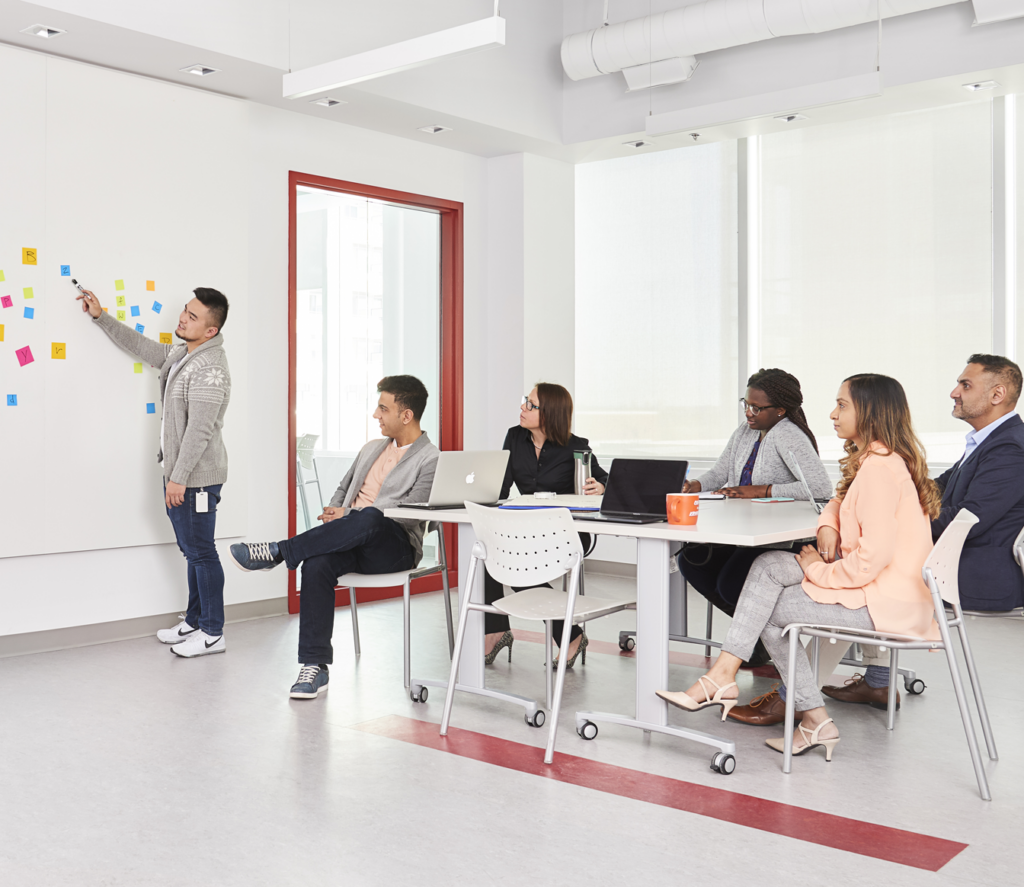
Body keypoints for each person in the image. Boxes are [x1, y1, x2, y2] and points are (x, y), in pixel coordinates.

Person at [657, 374, 942, 762]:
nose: (831, 413)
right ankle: (725, 679)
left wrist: (817, 570)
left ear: (871, 413)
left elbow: (867, 563)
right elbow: (837, 500)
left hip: (887, 603)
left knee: (769, 611)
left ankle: (804, 713)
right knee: (768, 566)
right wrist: (827, 523)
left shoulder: (879, 471)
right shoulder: (879, 460)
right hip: (884, 590)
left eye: (842, 405)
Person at [823, 354, 1024, 710]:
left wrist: (888, 521)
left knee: (865, 570)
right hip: (952, 561)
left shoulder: (1011, 447)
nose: (953, 392)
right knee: (871, 559)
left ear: (997, 395)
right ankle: (875, 682)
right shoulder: (986, 442)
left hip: (972, 573)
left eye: (965, 385)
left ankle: (795, 695)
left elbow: (969, 520)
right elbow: (927, 490)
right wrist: (880, 501)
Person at [229, 376, 438, 699]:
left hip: (395, 547)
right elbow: (344, 487)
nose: (375, 415)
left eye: (383, 408)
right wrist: (338, 510)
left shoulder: (430, 458)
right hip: (357, 540)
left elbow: (414, 513)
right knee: (316, 564)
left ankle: (279, 552)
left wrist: (351, 516)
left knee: (370, 515)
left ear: (406, 415)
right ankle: (315, 667)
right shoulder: (372, 448)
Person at [76, 286, 232, 657]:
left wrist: (178, 478)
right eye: (185, 310)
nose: (182, 318)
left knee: (202, 552)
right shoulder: (183, 354)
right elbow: (146, 348)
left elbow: (200, 430)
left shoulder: (211, 368)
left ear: (211, 330)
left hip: (196, 478)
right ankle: (196, 621)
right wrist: (101, 317)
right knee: (193, 551)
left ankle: (213, 632)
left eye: (193, 317)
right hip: (181, 474)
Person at [677, 368, 832, 677]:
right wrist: (696, 485)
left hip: (781, 539)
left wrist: (763, 490)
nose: (749, 412)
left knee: (731, 583)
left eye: (757, 408)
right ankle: (758, 639)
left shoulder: (788, 434)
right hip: (744, 531)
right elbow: (721, 472)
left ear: (780, 410)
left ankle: (763, 638)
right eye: (745, 404)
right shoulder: (746, 431)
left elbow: (820, 487)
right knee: (691, 560)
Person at [482, 384, 607, 668]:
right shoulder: (515, 437)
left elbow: (609, 482)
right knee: (488, 548)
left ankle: (570, 635)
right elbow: (501, 487)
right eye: (525, 401)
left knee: (515, 564)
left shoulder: (577, 447)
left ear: (550, 413)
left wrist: (600, 486)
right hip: (527, 530)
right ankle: (496, 629)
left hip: (567, 534)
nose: (523, 408)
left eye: (531, 404)